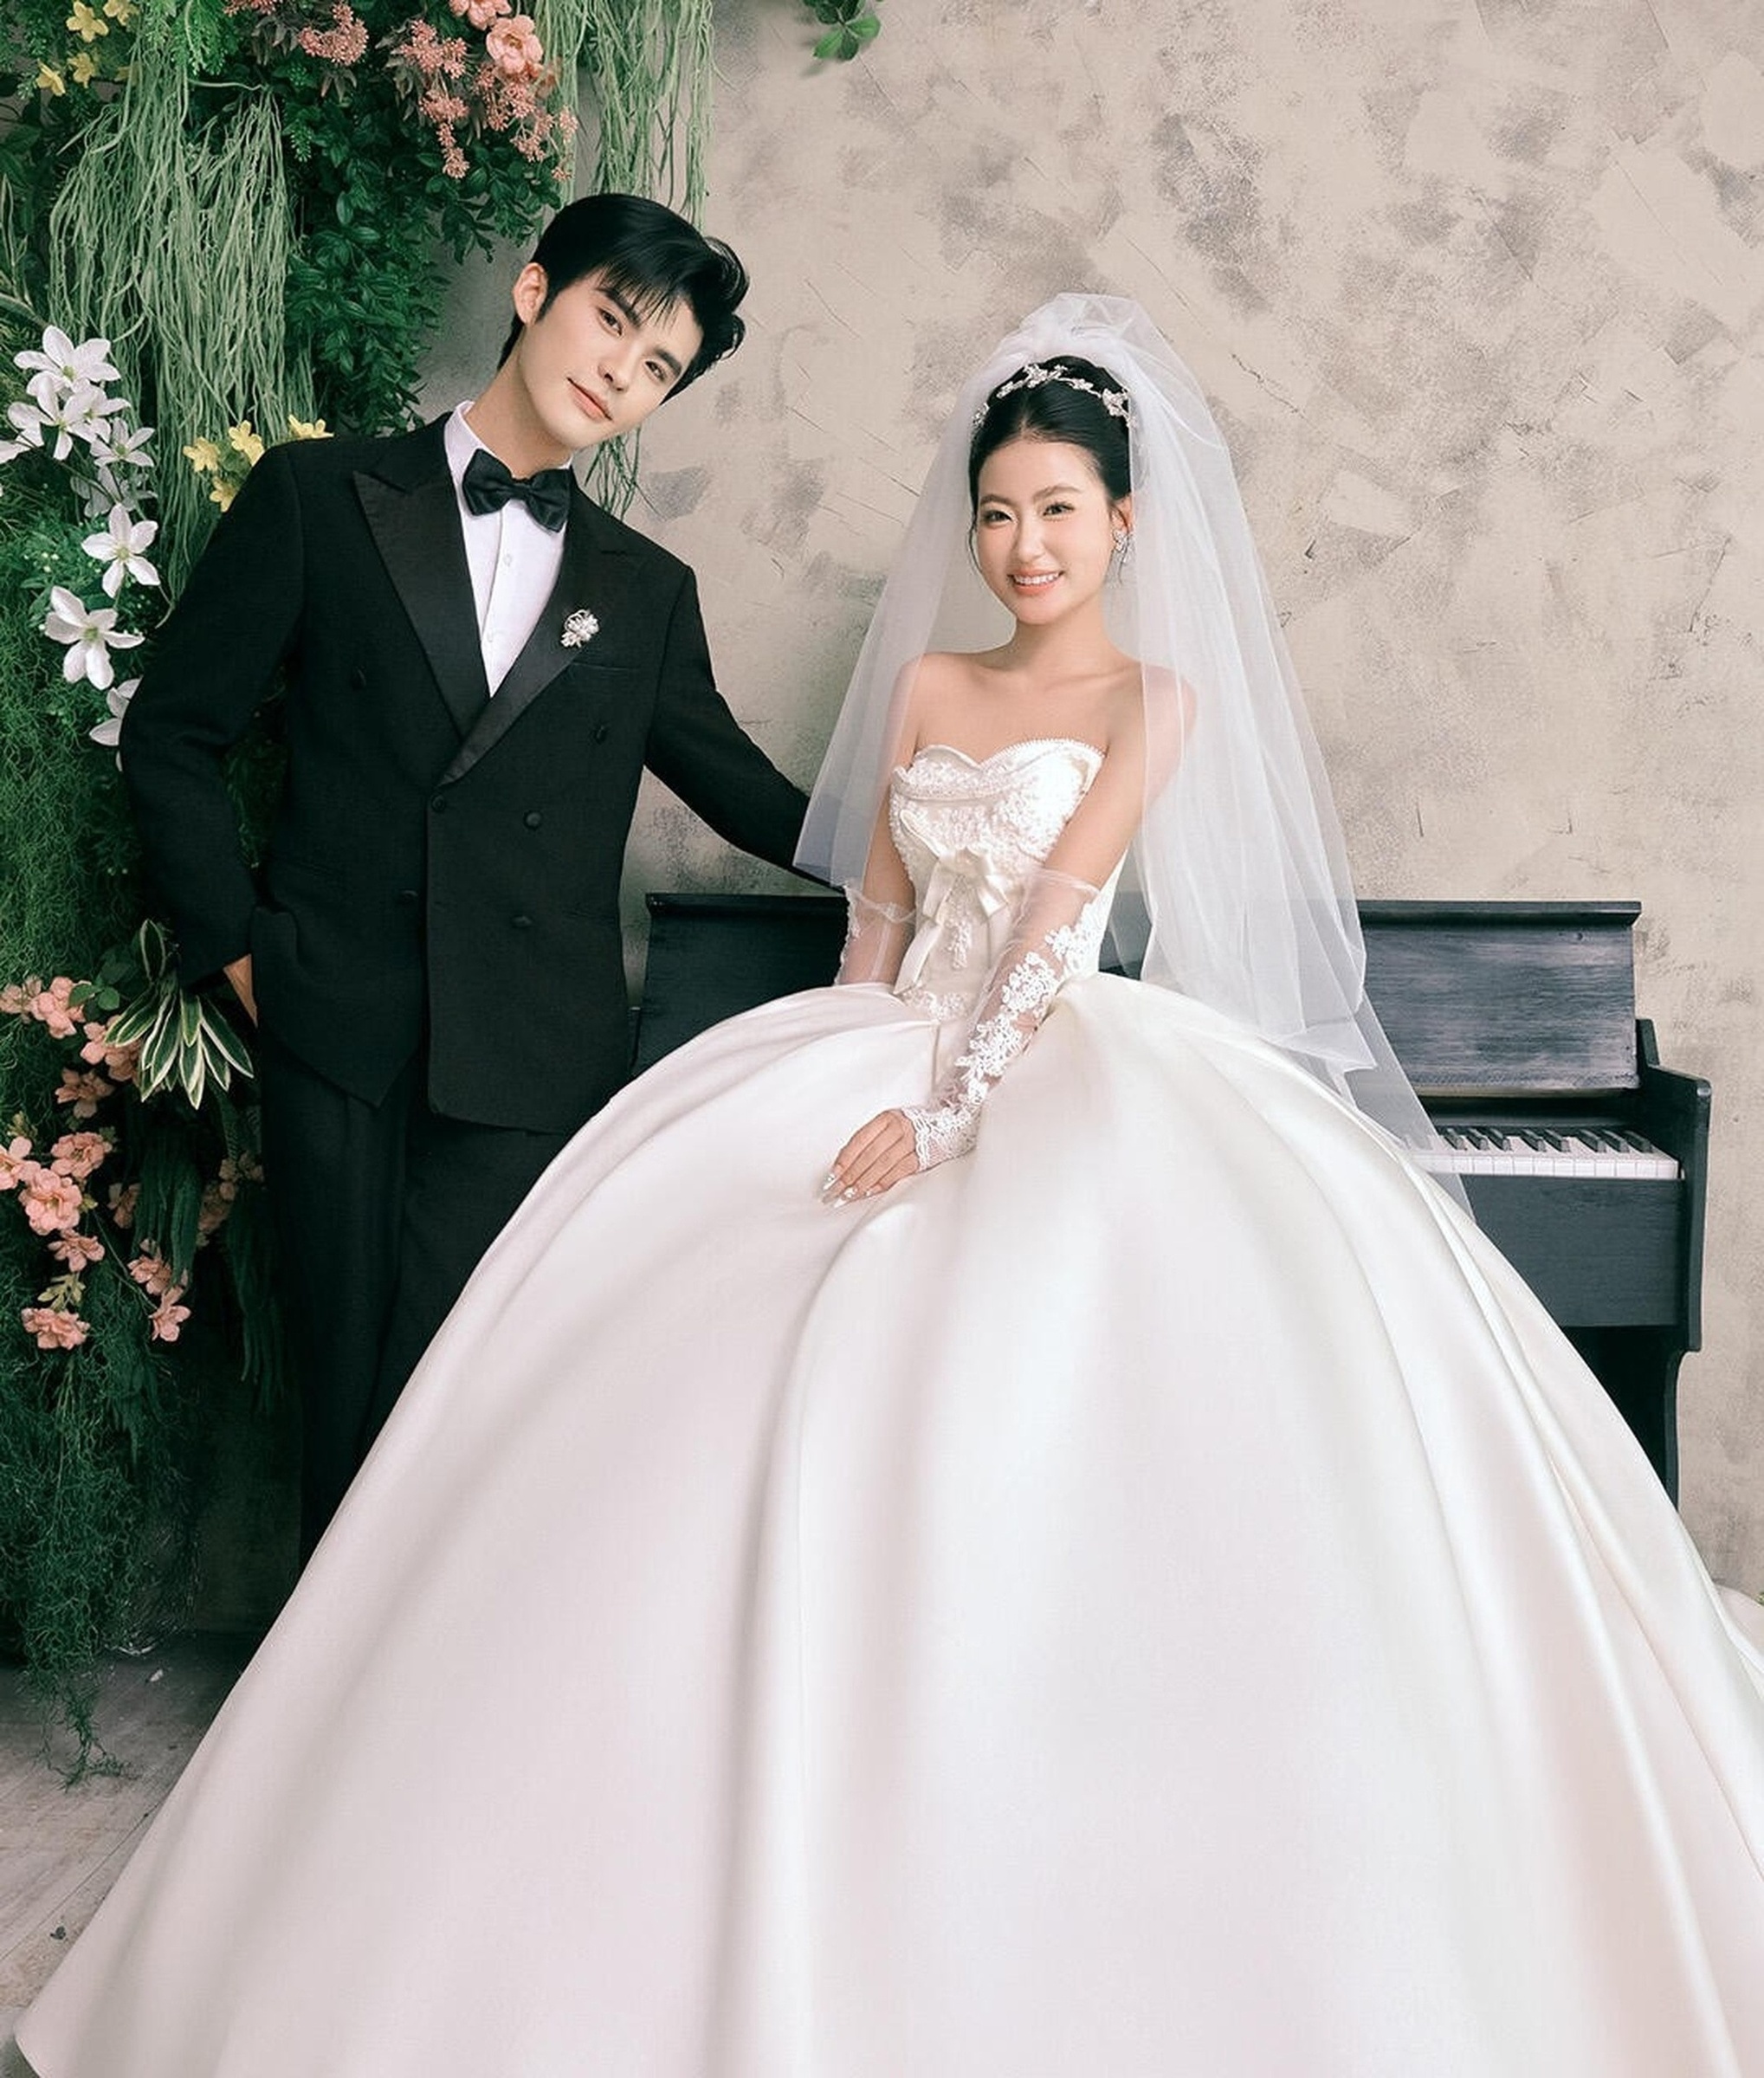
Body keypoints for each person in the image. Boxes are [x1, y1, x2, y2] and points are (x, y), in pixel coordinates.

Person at [21, 296, 1764, 2077]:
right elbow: (875, 925)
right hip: (885, 1036)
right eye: (996, 512)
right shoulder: (926, 684)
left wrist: (944, 1117)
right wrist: (837, 1064)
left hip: (1043, 1057)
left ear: (1123, 525)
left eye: (1058, 511)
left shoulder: (1155, 701)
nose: (1023, 545)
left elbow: (1052, 929)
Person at [117, 193, 811, 1552]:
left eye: (657, 366)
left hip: (534, 1048)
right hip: (337, 1016)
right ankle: (326, 1680)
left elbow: (741, 790)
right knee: (343, 1390)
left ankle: (429, 1676)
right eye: (611, 320)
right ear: (534, 291)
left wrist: (948, 846)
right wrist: (242, 951)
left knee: (470, 1401)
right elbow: (173, 734)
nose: (618, 372)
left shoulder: (646, 588)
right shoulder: (320, 497)